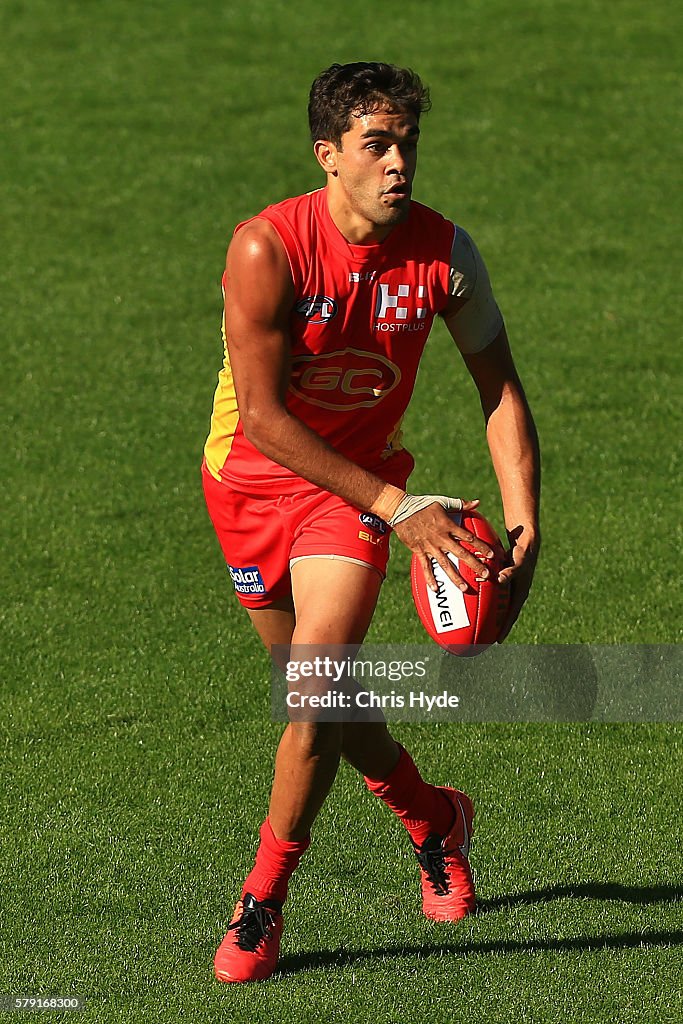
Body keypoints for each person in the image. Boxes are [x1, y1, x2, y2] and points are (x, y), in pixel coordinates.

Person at [202, 61, 540, 983]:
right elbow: (266, 418)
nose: (399, 164)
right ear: (328, 156)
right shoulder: (266, 248)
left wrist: (524, 523)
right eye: (376, 146)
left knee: (312, 697)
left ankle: (260, 902)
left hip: (349, 497)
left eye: (408, 144)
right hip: (248, 483)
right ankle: (434, 817)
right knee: (324, 701)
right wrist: (404, 510)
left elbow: (498, 387)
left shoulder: (443, 255)